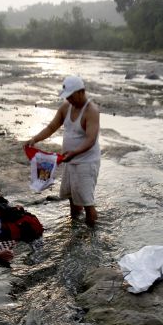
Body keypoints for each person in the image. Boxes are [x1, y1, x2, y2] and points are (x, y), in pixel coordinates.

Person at [24, 75, 101, 225]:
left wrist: (74, 153)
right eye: (67, 97)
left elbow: (91, 139)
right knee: (72, 196)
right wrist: (35, 139)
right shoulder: (66, 107)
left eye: (71, 96)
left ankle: (93, 234)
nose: (69, 99)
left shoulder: (91, 111)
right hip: (69, 161)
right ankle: (75, 226)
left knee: (86, 201)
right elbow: (51, 127)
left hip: (86, 162)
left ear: (81, 92)